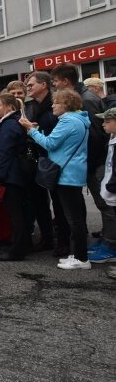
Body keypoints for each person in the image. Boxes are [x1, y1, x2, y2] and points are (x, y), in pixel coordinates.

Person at [19, 89, 90, 270]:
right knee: (73, 217)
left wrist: (31, 130)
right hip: (71, 172)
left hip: (67, 174)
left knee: (74, 219)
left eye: (56, 103)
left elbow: (50, 143)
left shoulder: (67, 121)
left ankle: (82, 258)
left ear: (66, 105)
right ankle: (77, 254)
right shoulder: (79, 119)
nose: (52, 106)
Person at [51, 64, 108, 236]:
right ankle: (108, 236)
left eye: (55, 81)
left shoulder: (86, 100)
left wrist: (88, 163)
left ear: (66, 81)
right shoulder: (83, 97)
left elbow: (96, 137)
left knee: (104, 203)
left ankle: (110, 244)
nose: (54, 84)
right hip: (92, 161)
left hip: (95, 162)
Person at [0, 94, 29, 261]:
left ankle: (18, 250)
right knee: (16, 212)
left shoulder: (9, 125)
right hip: (12, 173)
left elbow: (5, 152)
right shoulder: (9, 123)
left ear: (9, 107)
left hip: (11, 175)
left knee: (16, 213)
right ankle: (20, 245)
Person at [24, 71, 57, 252]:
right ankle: (47, 238)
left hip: (54, 158)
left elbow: (53, 134)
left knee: (60, 202)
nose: (28, 88)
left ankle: (63, 241)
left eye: (31, 85)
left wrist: (33, 130)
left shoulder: (54, 105)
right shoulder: (32, 106)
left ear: (44, 85)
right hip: (38, 158)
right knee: (39, 202)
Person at [89, 107, 116, 264]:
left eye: (108, 121)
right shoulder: (111, 139)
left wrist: (110, 187)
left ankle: (110, 247)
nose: (103, 125)